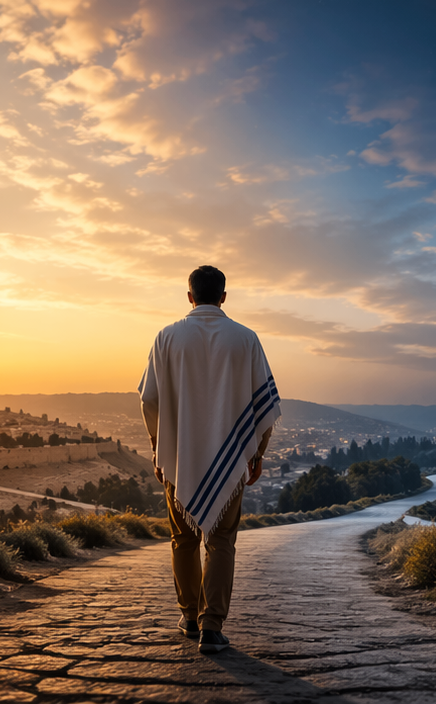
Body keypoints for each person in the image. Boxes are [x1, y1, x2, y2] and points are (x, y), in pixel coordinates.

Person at [139, 265, 281, 654]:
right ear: (223, 296)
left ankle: (188, 616)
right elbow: (263, 404)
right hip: (231, 458)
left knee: (182, 539)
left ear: (189, 296)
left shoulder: (166, 337)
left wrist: (158, 446)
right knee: (220, 542)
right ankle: (212, 626)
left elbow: (148, 400)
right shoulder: (246, 338)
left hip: (179, 457)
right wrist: (257, 453)